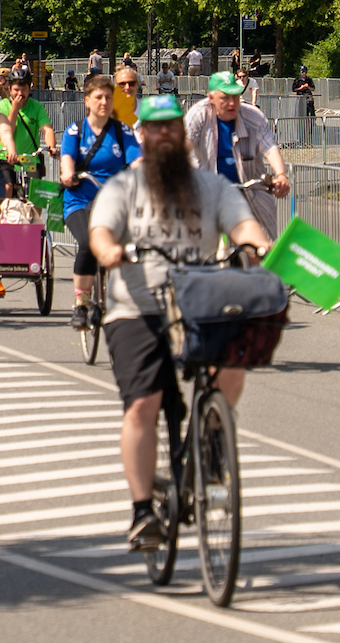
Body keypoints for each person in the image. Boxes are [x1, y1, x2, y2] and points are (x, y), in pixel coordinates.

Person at [89, 92, 274, 550]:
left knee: (231, 362)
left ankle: (213, 436)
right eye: (155, 129)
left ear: (183, 134)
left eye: (172, 127)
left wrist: (256, 242)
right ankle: (142, 512)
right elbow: (101, 230)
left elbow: (241, 223)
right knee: (143, 405)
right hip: (137, 306)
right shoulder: (123, 187)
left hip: (198, 300)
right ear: (144, 137)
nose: (165, 135)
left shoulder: (211, 187)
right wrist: (109, 250)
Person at [61, 74, 141, 330]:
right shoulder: (76, 131)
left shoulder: (122, 131)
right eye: (98, 97)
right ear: (87, 101)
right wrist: (68, 173)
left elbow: (136, 160)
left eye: (108, 97)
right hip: (80, 201)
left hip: (114, 201)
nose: (104, 102)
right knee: (88, 243)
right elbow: (67, 158)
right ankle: (81, 303)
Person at [184, 72, 291, 236]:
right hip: (208, 190)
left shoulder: (253, 116)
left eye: (235, 96)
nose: (232, 103)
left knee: (264, 239)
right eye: (225, 98)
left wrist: (281, 175)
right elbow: (182, 148)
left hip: (250, 189)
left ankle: (265, 250)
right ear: (211, 98)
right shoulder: (199, 114)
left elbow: (270, 148)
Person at [111, 62, 142, 128]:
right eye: (122, 84)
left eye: (131, 83)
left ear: (137, 85)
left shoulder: (147, 110)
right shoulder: (108, 111)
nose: (127, 87)